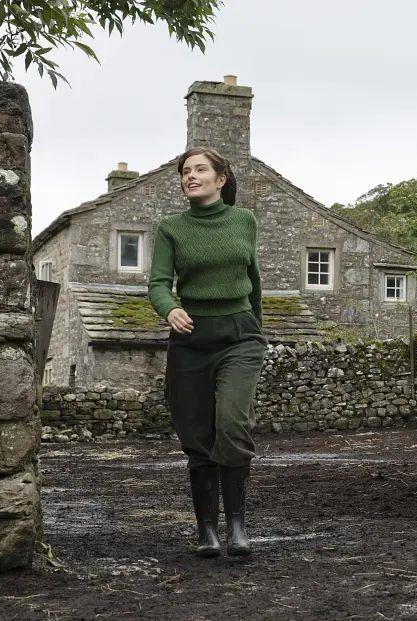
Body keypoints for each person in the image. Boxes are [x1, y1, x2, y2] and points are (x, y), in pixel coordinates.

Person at [148, 147, 266, 557]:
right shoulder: (172, 229)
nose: (190, 176)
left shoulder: (244, 221)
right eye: (185, 171)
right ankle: (207, 532)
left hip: (239, 338)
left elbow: (253, 279)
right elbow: (159, 283)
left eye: (200, 170)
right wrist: (170, 309)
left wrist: (256, 327)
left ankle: (237, 528)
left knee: (232, 424)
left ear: (220, 179)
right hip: (191, 339)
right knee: (197, 436)